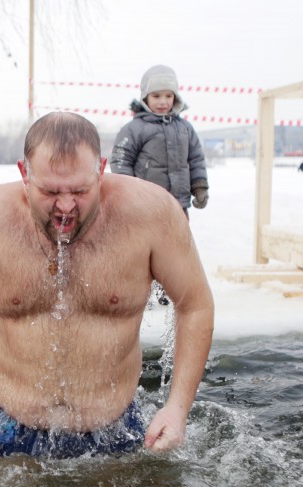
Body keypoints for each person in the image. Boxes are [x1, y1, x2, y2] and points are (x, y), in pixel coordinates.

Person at [0, 112, 215, 458]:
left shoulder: (152, 215)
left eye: (80, 190)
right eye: (49, 191)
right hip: (5, 427)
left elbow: (195, 304)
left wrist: (177, 409)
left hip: (116, 432)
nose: (65, 207)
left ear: (101, 169)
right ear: (24, 173)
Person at [110, 64, 208, 306]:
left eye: (168, 95)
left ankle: (169, 291)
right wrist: (130, 192)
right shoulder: (135, 128)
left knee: (176, 250)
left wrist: (200, 186)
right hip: (146, 207)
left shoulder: (185, 128)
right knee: (144, 250)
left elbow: (195, 158)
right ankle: (140, 291)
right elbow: (120, 159)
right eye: (156, 96)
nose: (163, 101)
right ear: (145, 97)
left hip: (178, 204)